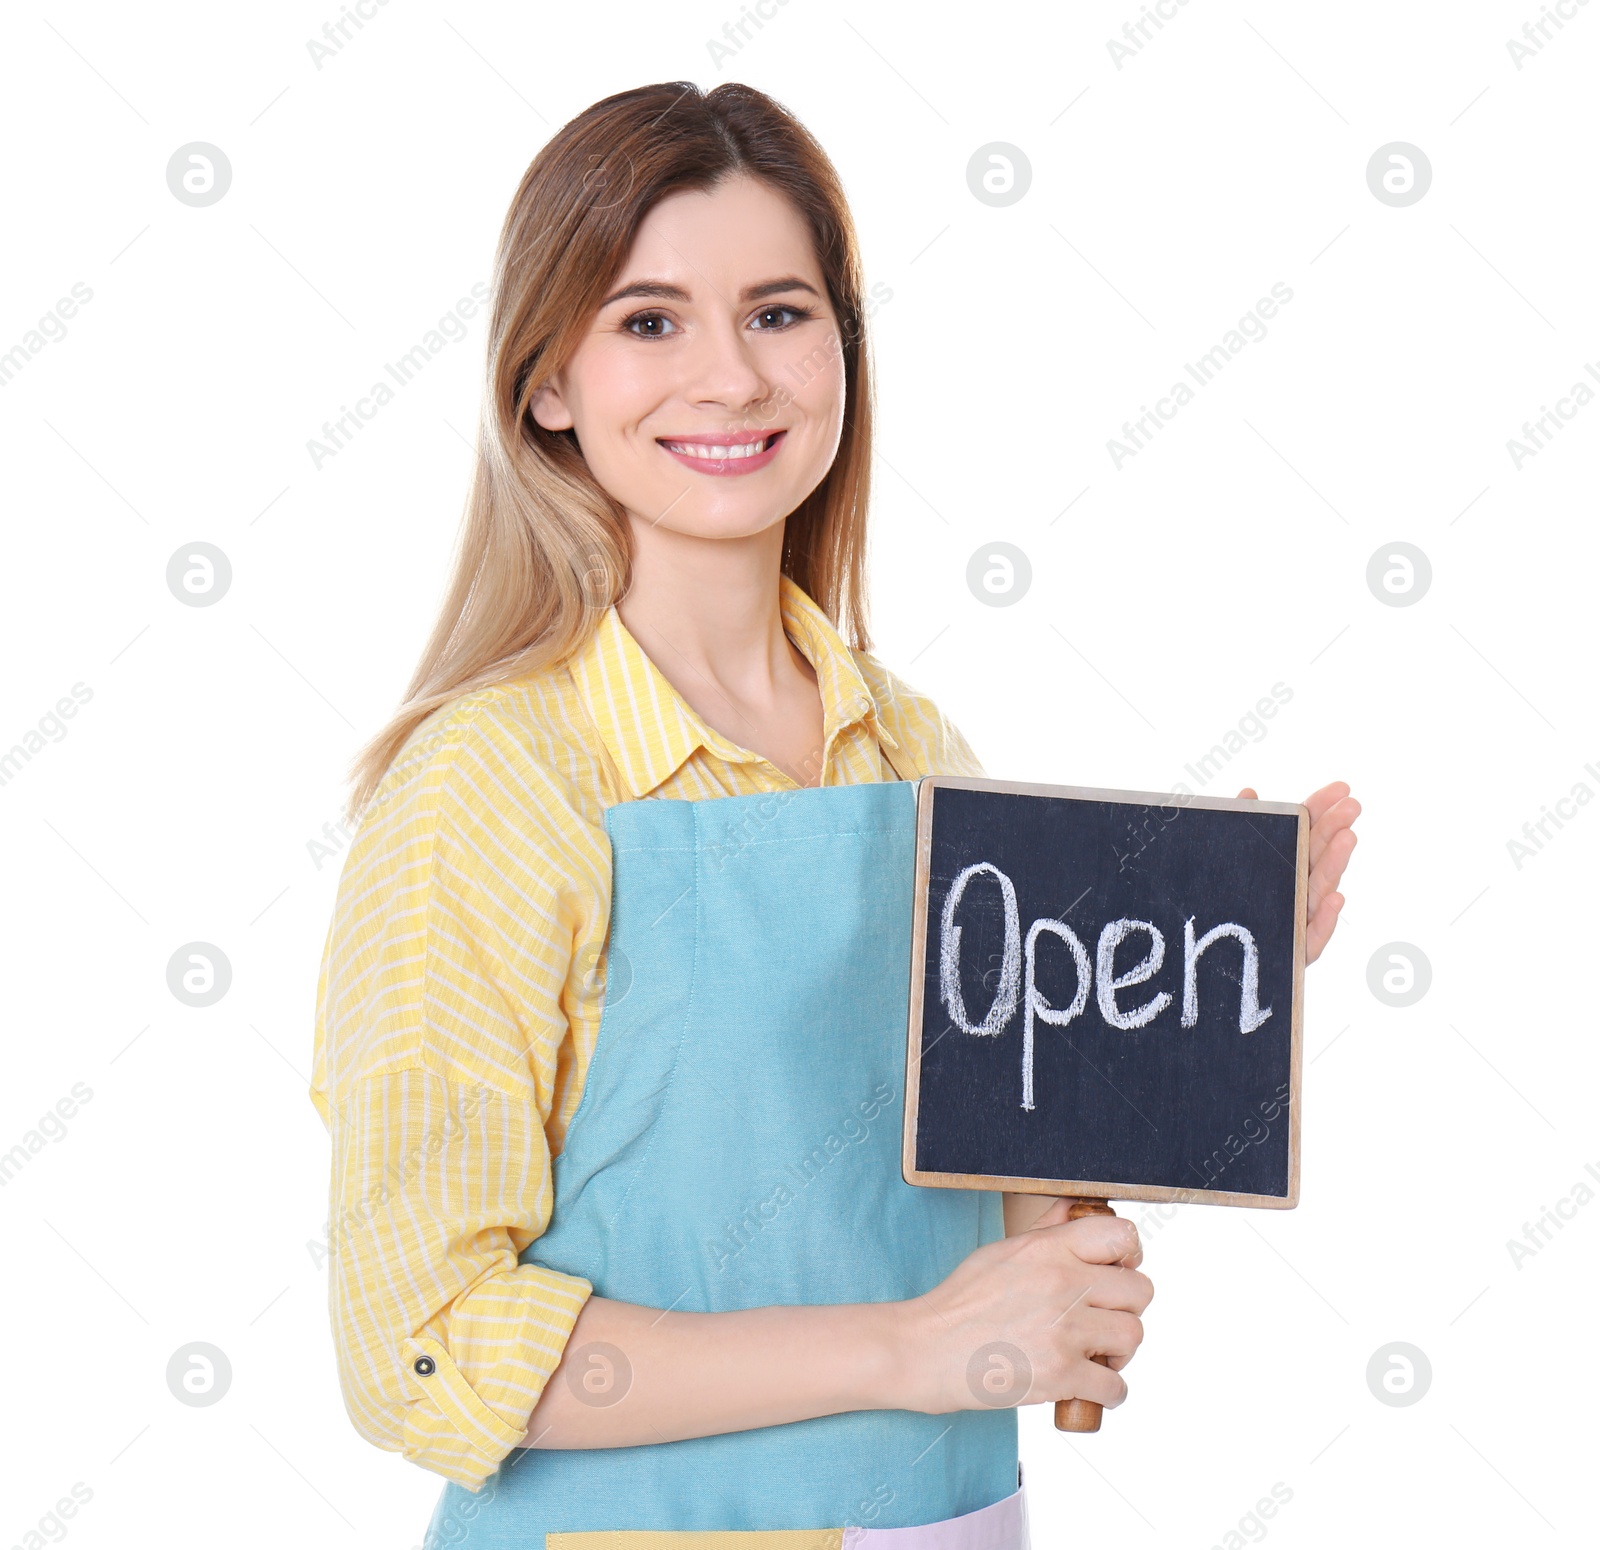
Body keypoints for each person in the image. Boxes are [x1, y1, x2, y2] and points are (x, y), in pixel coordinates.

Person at [308, 80, 1359, 1547]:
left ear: (844, 351)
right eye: (650, 319)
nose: (730, 378)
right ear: (547, 379)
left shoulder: (916, 751)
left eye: (780, 312)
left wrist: (1190, 988)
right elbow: (421, 1343)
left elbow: (964, 1222)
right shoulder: (487, 784)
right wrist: (911, 1345)